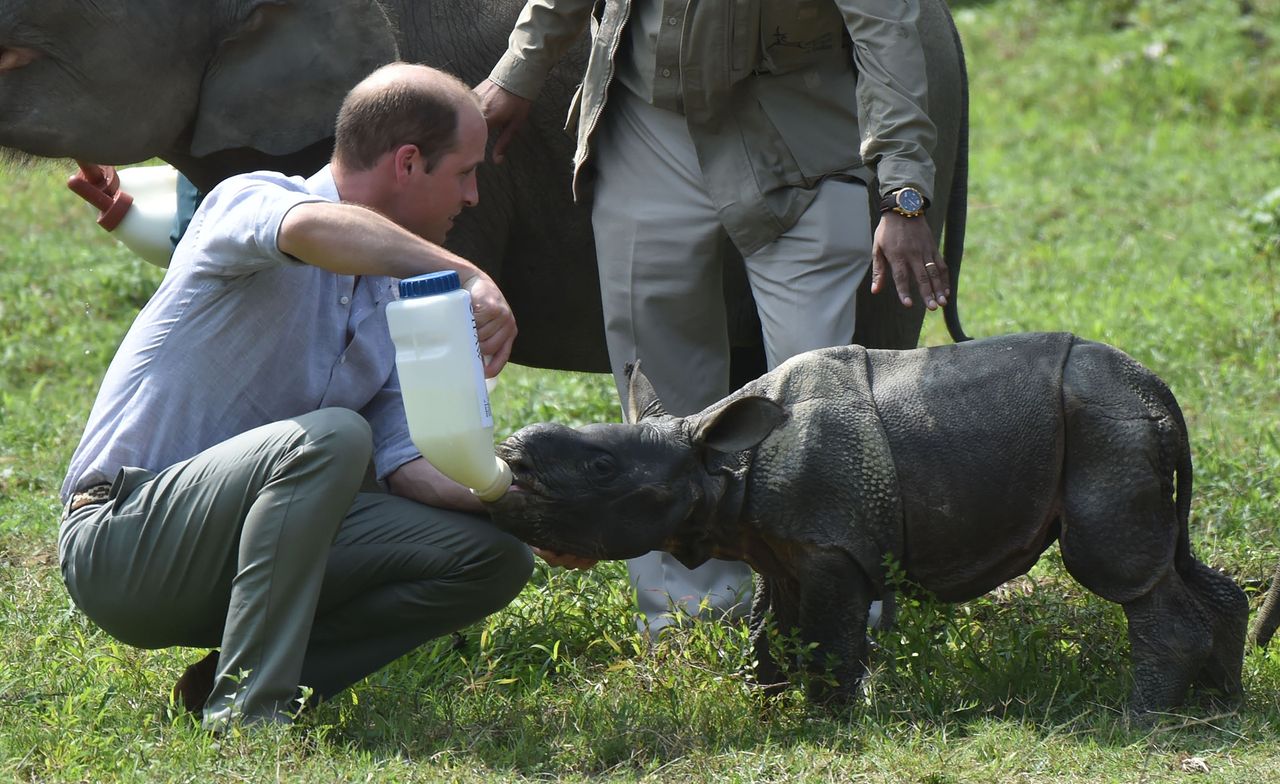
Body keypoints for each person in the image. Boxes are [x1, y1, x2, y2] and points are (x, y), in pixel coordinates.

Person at [57, 63, 534, 730]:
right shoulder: (251, 200)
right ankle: (250, 717)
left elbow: (413, 468)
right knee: (332, 436)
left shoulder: (401, 302)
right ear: (407, 162)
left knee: (492, 557)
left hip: (250, 555)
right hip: (123, 543)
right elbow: (309, 230)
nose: (476, 196)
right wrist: (466, 274)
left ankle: (233, 684)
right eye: (465, 172)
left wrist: (533, 510)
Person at [476, 1, 949, 634]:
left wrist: (903, 195)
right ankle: (685, 618)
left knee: (814, 392)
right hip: (649, 115)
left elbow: (886, 30)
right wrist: (517, 71)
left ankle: (833, 609)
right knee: (658, 381)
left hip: (797, 120)